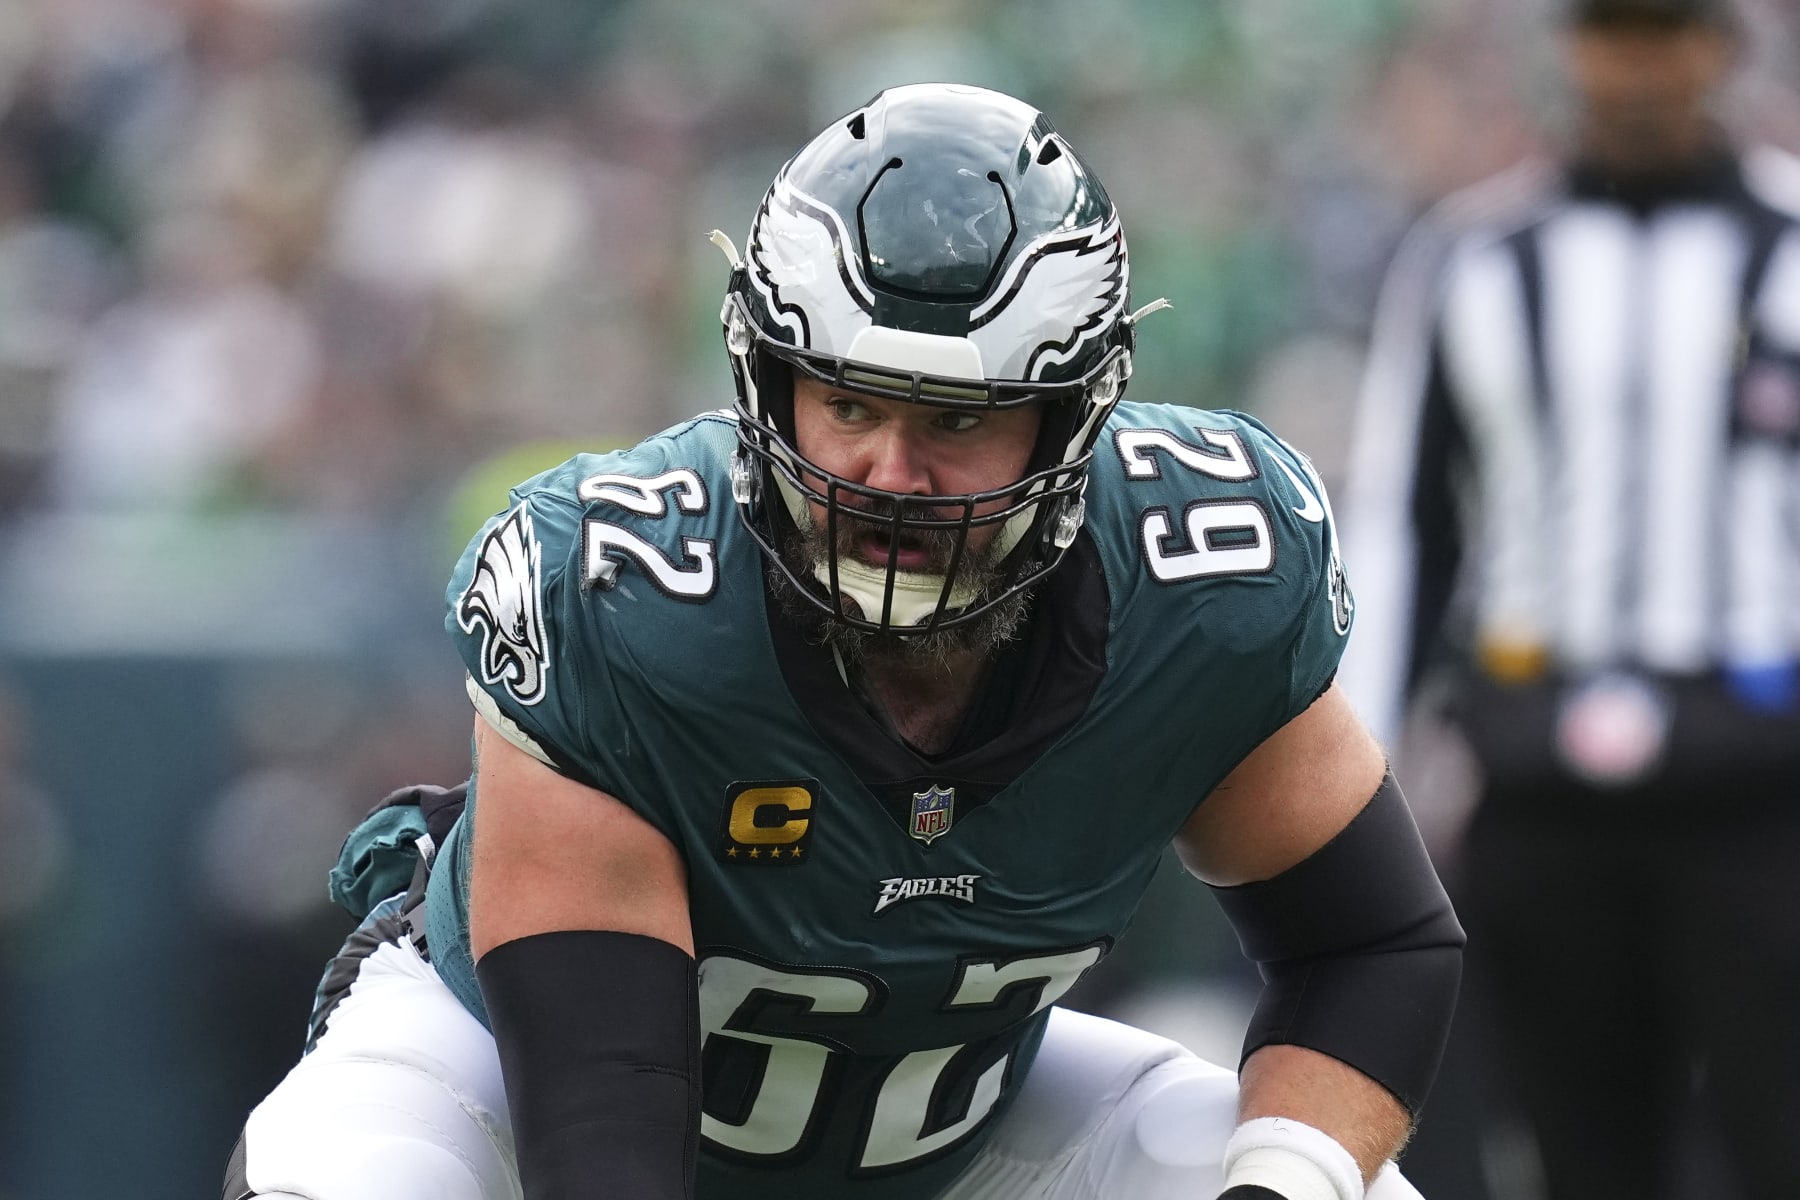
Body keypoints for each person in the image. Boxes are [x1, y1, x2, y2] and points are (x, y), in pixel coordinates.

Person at [223, 83, 1462, 1200]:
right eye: (853, 403)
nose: (891, 474)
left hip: (952, 1122)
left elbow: (1374, 944)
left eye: (960, 418)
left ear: (1069, 422)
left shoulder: (1202, 579)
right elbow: (604, 1117)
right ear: (771, 387)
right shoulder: (624, 595)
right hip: (505, 1091)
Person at [1340, 2, 1800, 1197]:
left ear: (1724, 49)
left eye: (1669, 34)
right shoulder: (1475, 254)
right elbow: (1405, 525)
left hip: (1766, 792)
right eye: (1613, 33)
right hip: (1542, 787)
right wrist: (1364, 782)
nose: (1638, 69)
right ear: (1570, 47)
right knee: (1576, 1152)